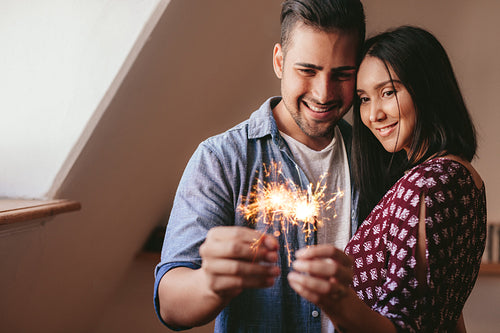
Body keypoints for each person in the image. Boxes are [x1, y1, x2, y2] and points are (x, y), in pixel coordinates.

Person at [153, 0, 365, 331]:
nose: (324, 93)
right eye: (307, 70)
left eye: (342, 74)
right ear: (279, 61)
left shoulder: (373, 157)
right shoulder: (222, 159)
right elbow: (169, 303)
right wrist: (210, 281)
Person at [287, 25, 487, 332]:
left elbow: (402, 325)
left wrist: (336, 298)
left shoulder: (424, 186)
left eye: (388, 92)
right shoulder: (461, 177)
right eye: (364, 99)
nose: (373, 115)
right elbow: (442, 314)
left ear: (427, 88)